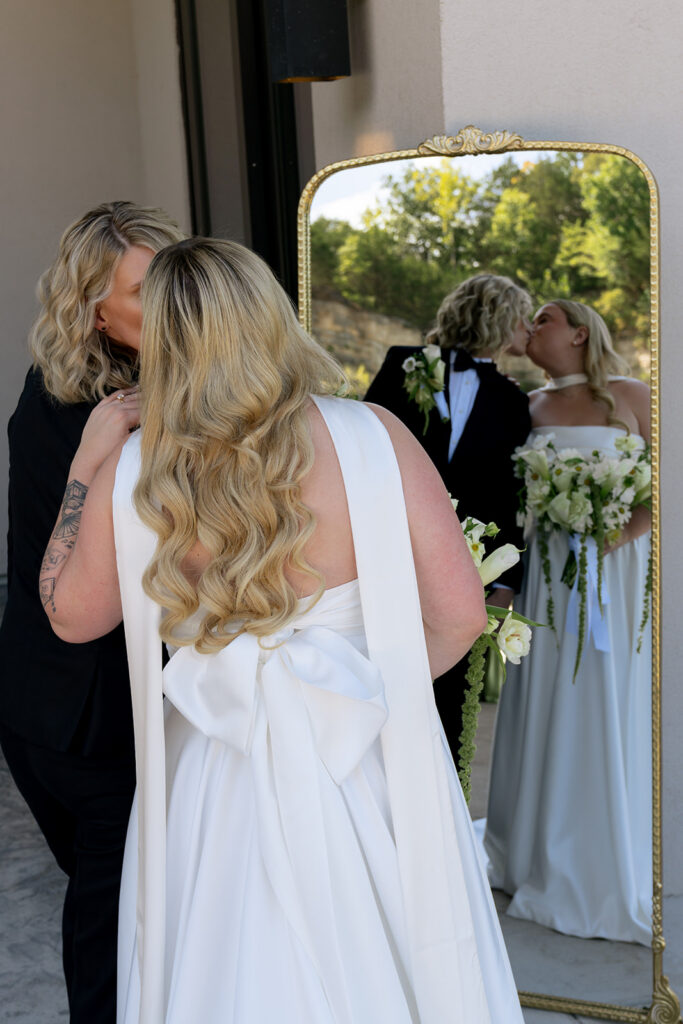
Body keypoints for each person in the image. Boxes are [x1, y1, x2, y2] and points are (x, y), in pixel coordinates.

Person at [39, 237, 525, 1022]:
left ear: (160, 336)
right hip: (362, 747)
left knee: (223, 955)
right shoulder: (374, 434)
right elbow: (462, 614)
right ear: (271, 316)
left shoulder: (136, 466)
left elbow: (69, 616)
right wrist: (360, 691)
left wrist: (84, 467)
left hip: (213, 757)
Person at [0, 201, 185, 1022]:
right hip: (84, 719)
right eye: (144, 291)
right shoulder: (82, 408)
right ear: (93, 310)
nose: (169, 303)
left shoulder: (142, 390)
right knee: (113, 920)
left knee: (131, 905)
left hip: (70, 705)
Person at [482, 299, 652, 944]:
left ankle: (607, 843)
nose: (531, 325)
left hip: (616, 569)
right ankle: (531, 848)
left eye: (545, 317)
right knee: (550, 692)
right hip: (550, 573)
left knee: (605, 692)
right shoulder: (525, 406)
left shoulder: (631, 394)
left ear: (580, 333)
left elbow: (667, 481)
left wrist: (617, 533)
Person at [364, 273, 532, 754]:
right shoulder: (404, 364)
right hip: (391, 549)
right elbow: (365, 447)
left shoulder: (513, 399)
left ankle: (445, 789)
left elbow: (508, 492)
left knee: (453, 697)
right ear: (499, 318)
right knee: (384, 678)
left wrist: (506, 581)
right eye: (522, 318)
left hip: (467, 561)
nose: (527, 329)